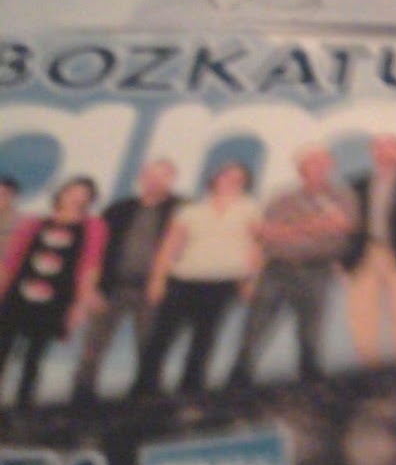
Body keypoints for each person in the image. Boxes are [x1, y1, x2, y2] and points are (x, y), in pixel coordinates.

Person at [227, 146, 358, 386]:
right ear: (301, 169)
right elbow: (265, 234)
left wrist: (288, 230)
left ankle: (309, 380)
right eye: (311, 164)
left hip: (317, 268)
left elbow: (343, 226)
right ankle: (238, 377)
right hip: (277, 268)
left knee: (311, 328)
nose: (318, 169)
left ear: (330, 167)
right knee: (256, 325)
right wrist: (317, 225)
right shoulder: (282, 198)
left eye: (323, 164)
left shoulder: (342, 196)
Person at [135, 161, 262, 394]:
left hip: (223, 282)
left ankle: (190, 390)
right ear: (215, 178)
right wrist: (157, 280)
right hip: (184, 279)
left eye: (237, 179)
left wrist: (251, 280)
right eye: (226, 176)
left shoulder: (250, 209)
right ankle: (144, 390)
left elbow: (257, 246)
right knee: (162, 337)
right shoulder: (190, 209)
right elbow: (169, 247)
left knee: (204, 339)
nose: (230, 182)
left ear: (245, 184)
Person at [73, 158, 181, 402]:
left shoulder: (180, 210)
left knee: (150, 344)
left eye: (163, 176)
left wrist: (165, 283)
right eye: (151, 176)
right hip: (112, 286)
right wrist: (94, 287)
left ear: (172, 180)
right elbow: (96, 249)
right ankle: (81, 393)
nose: (155, 181)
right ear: (141, 177)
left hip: (153, 289)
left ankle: (146, 394)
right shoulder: (118, 209)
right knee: (94, 343)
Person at [0, 176, 107, 408]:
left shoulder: (93, 227)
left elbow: (91, 265)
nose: (77, 198)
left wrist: (80, 304)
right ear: (62, 193)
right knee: (2, 349)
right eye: (73, 192)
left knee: (34, 356)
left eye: (84, 195)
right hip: (17, 297)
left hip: (55, 301)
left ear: (90, 200)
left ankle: (22, 407)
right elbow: (11, 261)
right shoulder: (34, 223)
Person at [343, 133, 396, 365]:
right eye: (379, 147)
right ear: (372, 152)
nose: (384, 152)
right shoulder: (357, 183)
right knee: (362, 315)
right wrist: (341, 259)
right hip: (364, 253)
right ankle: (369, 371)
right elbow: (346, 222)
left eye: (390, 147)